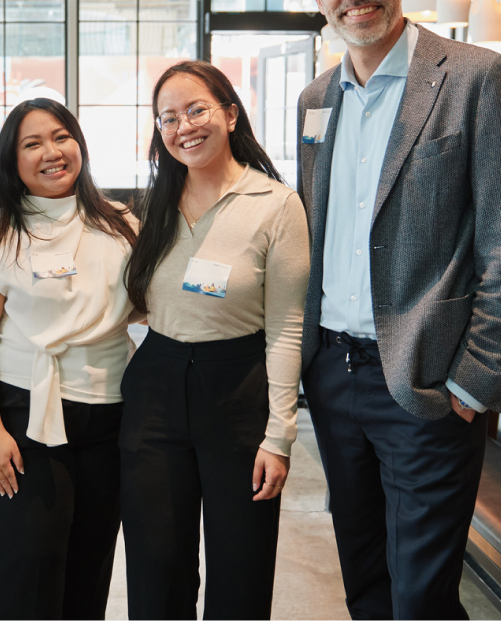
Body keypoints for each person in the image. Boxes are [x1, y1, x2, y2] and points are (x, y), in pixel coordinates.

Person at [298, 0, 501, 620]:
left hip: (427, 380)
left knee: (420, 596)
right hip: (332, 374)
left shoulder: (477, 80)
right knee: (365, 581)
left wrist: (477, 378)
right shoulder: (315, 100)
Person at [122, 60, 310, 620]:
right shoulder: (152, 204)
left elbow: (286, 327)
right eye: (168, 118)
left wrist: (280, 435)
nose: (184, 127)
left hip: (239, 387)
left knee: (242, 561)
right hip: (156, 384)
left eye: (196, 109)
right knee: (156, 565)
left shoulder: (275, 204)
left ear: (230, 113)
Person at [0, 98, 138, 621]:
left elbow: (148, 306)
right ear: (12, 162)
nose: (51, 152)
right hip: (26, 413)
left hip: (111, 413)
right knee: (28, 564)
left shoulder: (120, 224)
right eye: (32, 144)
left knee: (91, 561)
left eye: (61, 137)